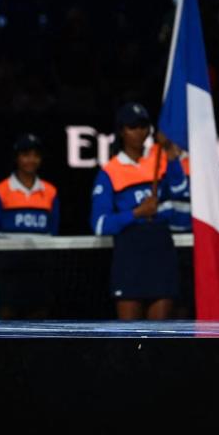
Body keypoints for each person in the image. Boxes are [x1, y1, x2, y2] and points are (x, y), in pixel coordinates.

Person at [90, 102, 186, 320]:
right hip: (130, 253)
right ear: (122, 131)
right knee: (130, 338)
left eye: (143, 126)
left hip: (161, 249)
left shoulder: (159, 159)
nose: (139, 132)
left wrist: (172, 155)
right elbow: (99, 224)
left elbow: (181, 190)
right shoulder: (110, 171)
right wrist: (136, 213)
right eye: (133, 127)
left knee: (158, 337)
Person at [0, 133, 60, 319]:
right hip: (8, 270)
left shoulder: (50, 192)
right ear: (17, 158)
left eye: (36, 155)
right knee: (6, 323)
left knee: (39, 324)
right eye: (26, 155)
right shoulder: (0, 191)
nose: (31, 160)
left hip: (40, 269)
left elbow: (54, 231)